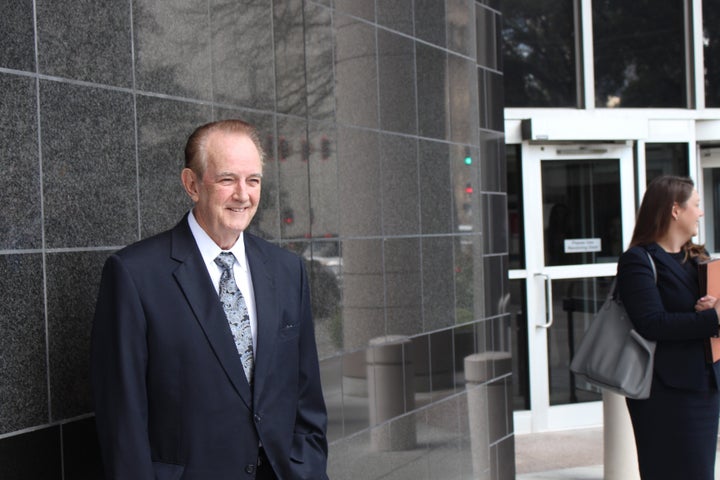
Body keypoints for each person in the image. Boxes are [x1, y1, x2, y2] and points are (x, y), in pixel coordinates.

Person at [91, 119, 329, 480]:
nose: (243, 195)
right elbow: (122, 420)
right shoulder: (134, 275)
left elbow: (306, 393)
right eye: (227, 179)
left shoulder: (286, 270)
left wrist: (307, 469)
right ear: (192, 184)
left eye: (253, 180)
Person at [617, 175, 720, 479]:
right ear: (676, 210)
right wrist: (711, 318)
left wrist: (712, 312)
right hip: (663, 393)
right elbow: (652, 324)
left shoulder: (699, 258)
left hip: (705, 387)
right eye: (697, 205)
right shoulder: (638, 260)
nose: (700, 212)